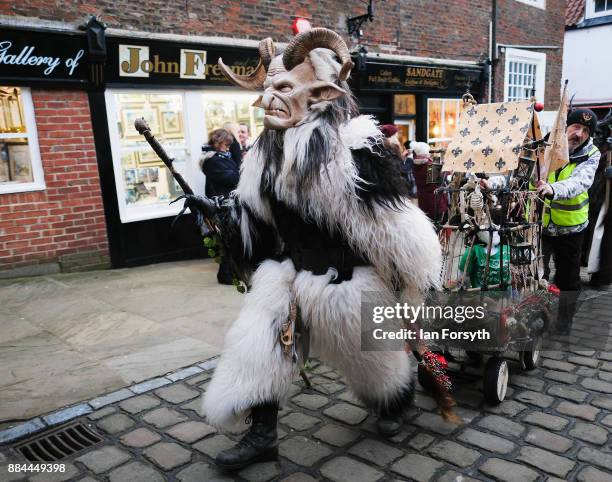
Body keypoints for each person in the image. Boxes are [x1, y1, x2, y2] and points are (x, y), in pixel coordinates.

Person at [182, 28, 445, 470]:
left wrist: (409, 286)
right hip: (288, 274)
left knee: (376, 370)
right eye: (267, 91)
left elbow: (395, 227)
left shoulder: (354, 153)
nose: (269, 102)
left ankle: (393, 404)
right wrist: (222, 216)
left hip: (348, 279)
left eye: (282, 89)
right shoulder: (261, 159)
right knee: (257, 345)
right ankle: (262, 433)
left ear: (317, 94)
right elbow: (256, 220)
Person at [536, 108, 601, 334]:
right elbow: (520, 172)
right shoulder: (543, 145)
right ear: (565, 127)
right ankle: (536, 319)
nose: (579, 134)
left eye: (585, 130)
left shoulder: (592, 153)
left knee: (568, 279)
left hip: (571, 227)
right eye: (576, 127)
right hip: (540, 225)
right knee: (536, 275)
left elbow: (580, 182)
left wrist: (552, 189)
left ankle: (564, 323)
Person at [200, 128, 240, 284]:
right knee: (227, 240)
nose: (228, 147)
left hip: (227, 203)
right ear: (218, 142)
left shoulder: (220, 158)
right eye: (226, 144)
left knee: (230, 239)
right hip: (222, 206)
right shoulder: (213, 161)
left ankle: (229, 272)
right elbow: (233, 178)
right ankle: (225, 274)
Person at [582, 111, 612, 287]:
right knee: (596, 235)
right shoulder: (598, 148)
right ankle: (597, 273)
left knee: (604, 236)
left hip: (607, 198)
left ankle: (603, 276)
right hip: (598, 194)